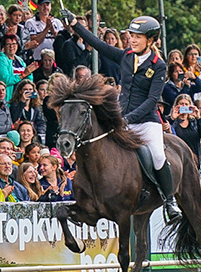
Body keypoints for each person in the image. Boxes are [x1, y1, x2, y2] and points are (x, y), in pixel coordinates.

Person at [64, 12, 183, 219]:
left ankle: (169, 201)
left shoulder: (159, 65)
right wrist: (75, 24)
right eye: (131, 36)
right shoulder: (126, 56)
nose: (132, 40)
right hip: (122, 119)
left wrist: (127, 119)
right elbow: (99, 44)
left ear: (151, 40)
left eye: (138, 37)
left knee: (157, 155)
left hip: (146, 122)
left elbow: (151, 101)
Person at [0, 34, 34, 101]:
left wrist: (29, 73)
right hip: (8, 100)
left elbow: (28, 80)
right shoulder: (1, 60)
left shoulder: (19, 60)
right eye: (8, 44)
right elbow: (5, 81)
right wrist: (22, 75)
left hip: (21, 99)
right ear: (4, 47)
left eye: (14, 44)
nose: (11, 46)